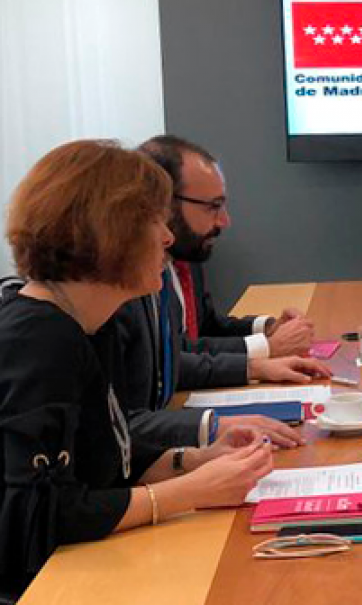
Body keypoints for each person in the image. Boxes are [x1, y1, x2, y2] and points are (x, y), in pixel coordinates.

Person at [0, 140, 274, 595]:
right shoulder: (38, 341)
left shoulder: (90, 323)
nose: (167, 238)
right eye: (153, 222)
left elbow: (104, 464)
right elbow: (37, 519)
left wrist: (195, 460)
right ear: (108, 232)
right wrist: (190, 491)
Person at [139, 135, 314, 360]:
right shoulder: (131, 276)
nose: (224, 221)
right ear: (165, 203)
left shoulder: (186, 254)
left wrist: (268, 328)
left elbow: (205, 326)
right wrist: (266, 348)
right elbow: (168, 358)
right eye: (213, 206)